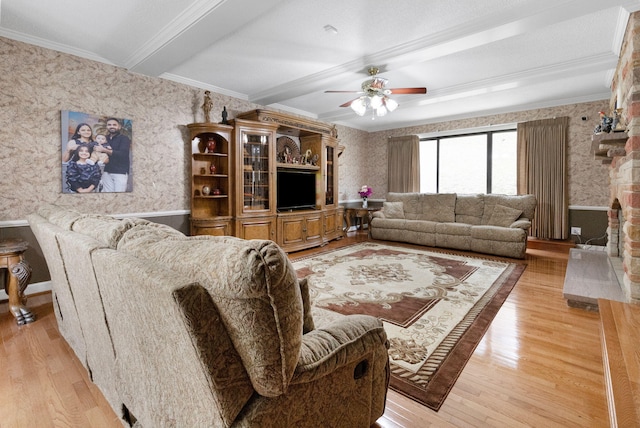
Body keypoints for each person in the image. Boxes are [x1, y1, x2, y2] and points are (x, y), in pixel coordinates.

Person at [101, 118, 131, 192]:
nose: (112, 126)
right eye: (109, 125)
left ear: (119, 127)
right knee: (107, 196)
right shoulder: (105, 138)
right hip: (107, 171)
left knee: (119, 196)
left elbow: (122, 154)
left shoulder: (124, 139)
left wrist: (104, 150)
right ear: (107, 126)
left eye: (114, 125)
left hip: (120, 172)